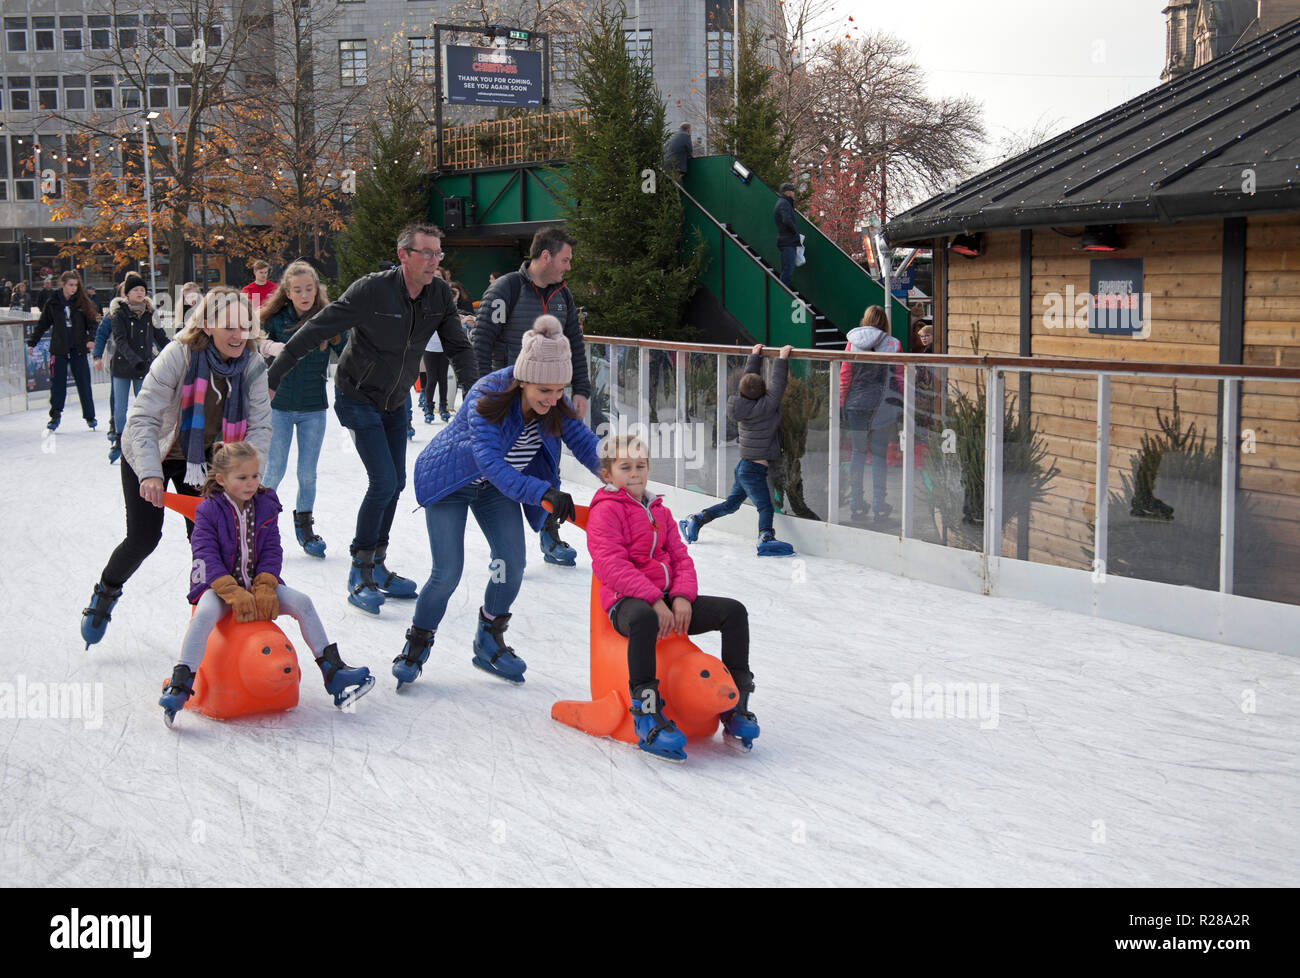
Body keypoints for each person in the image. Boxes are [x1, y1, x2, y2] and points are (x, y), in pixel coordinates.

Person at [266, 223, 476, 615]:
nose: (434, 261)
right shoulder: (372, 290)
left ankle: (378, 565)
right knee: (382, 481)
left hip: (396, 400)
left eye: (438, 254)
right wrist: (274, 375)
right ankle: (359, 569)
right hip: (356, 394)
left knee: (395, 482)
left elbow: (459, 348)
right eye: (426, 253)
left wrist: (476, 397)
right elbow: (315, 330)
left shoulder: (439, 296)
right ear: (404, 255)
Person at [396, 316, 601, 688]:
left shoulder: (554, 399)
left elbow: (585, 443)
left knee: (509, 564)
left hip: (496, 490)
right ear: (523, 379)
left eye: (559, 390)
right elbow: (489, 462)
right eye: (545, 390)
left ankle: (488, 639)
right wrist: (542, 493)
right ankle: (417, 644)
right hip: (451, 483)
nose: (553, 399)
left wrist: (623, 477)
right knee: (447, 573)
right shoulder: (488, 394)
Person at [80, 287, 272, 648]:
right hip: (152, 450)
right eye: (228, 326)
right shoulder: (179, 355)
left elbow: (261, 425)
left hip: (207, 463)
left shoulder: (252, 365)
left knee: (209, 544)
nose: (237, 334)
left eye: (244, 326)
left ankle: (210, 626)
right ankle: (105, 592)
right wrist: (151, 472)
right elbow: (143, 417)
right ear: (207, 324)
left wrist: (248, 472)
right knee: (143, 538)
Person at [158, 442, 374, 725]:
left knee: (302, 602)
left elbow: (272, 548)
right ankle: (182, 681)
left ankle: (333, 672)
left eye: (255, 476)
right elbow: (205, 553)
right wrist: (229, 589)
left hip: (259, 585)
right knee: (205, 613)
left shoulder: (265, 505)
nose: (251, 483)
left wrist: (264, 584)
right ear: (221, 479)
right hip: (218, 587)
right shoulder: (209, 511)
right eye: (242, 478)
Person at [587, 434, 758, 760]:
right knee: (644, 618)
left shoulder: (659, 512)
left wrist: (680, 597)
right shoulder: (606, 512)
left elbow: (681, 558)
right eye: (626, 467)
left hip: (667, 598)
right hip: (627, 601)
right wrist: (653, 599)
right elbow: (610, 565)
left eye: (641, 465)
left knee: (733, 612)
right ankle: (646, 712)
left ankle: (735, 705)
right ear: (608, 475)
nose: (635, 473)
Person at [473, 227, 592, 567]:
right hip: (508, 400)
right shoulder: (506, 289)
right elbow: (481, 342)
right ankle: (504, 545)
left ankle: (549, 534)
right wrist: (482, 395)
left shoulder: (562, 296)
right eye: (565, 259)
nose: (568, 266)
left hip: (548, 401)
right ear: (545, 257)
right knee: (500, 470)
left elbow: (575, 347)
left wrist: (580, 388)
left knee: (549, 468)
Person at [257, 260, 344, 559]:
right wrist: (269, 347)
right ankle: (259, 525)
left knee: (307, 473)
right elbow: (250, 338)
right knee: (274, 469)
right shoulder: (275, 319)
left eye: (310, 288)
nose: (305, 294)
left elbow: (346, 353)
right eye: (298, 290)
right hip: (278, 406)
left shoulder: (328, 318)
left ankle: (305, 528)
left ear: (317, 289)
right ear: (288, 292)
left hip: (313, 408)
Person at [679, 344, 796, 556]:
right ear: (764, 392)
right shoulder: (767, 406)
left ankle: (696, 519)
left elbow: (750, 381)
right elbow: (778, 383)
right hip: (752, 469)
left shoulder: (740, 405)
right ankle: (766, 537)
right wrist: (782, 358)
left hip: (744, 465)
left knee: (732, 504)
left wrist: (754, 356)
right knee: (765, 506)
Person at [841, 306, 904, 522]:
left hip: (856, 406)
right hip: (883, 406)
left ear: (865, 319)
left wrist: (841, 403)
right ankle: (879, 506)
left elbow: (845, 375)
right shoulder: (894, 344)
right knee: (879, 455)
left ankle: (856, 505)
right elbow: (900, 377)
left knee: (857, 454)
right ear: (884, 322)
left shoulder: (852, 343)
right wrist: (903, 404)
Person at [107, 272, 170, 464]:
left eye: (142, 289)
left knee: (143, 406)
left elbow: (160, 337)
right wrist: (135, 360)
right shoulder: (119, 314)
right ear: (127, 293)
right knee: (120, 408)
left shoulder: (151, 314)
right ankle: (118, 439)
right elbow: (121, 341)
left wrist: (174, 351)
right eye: (136, 289)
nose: (140, 292)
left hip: (143, 368)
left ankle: (142, 439)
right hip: (123, 367)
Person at [27, 271, 99, 432]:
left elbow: (93, 324)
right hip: (59, 349)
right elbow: (43, 324)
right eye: (70, 285)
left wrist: (91, 339)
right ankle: (55, 415)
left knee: (84, 383)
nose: (74, 288)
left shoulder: (82, 302)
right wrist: (32, 342)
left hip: (78, 349)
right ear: (63, 285)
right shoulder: (53, 302)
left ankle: (90, 416)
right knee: (57, 384)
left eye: (76, 285)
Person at [774, 182, 800, 288]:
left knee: (787, 268)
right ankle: (783, 292)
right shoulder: (784, 203)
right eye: (793, 191)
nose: (794, 193)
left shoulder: (782, 203)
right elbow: (787, 220)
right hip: (787, 241)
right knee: (788, 269)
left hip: (786, 240)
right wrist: (795, 232)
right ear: (788, 192)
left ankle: (783, 291)